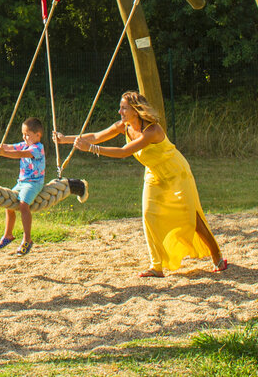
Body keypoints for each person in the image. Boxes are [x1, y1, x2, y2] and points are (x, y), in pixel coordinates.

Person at [56, 90, 226, 277]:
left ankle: (216, 255)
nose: (119, 112)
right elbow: (96, 136)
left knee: (190, 216)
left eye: (123, 108)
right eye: (120, 108)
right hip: (154, 173)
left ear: (135, 111)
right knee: (148, 214)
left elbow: (123, 152)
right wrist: (65, 140)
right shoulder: (124, 126)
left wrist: (92, 149)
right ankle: (156, 266)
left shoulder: (152, 130)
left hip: (176, 173)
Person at [0, 116, 46, 256]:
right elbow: (9, 146)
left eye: (27, 135)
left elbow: (19, 154)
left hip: (34, 183)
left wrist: (5, 154)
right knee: (8, 204)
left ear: (37, 135)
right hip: (22, 182)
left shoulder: (37, 148)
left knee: (23, 205)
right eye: (23, 134)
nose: (24, 137)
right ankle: (8, 235)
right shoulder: (25, 144)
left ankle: (27, 239)